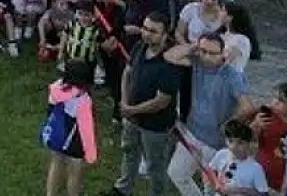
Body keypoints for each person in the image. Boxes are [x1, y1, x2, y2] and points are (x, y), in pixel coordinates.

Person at [166, 33, 256, 192]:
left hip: (215, 143)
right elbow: (169, 56)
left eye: (212, 53)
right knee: (176, 173)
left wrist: (230, 123)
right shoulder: (195, 64)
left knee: (212, 187)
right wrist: (193, 47)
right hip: (191, 133)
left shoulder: (232, 75)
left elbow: (248, 106)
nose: (206, 56)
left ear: (222, 53)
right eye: (203, 51)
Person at [111, 11, 176, 196]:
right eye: (145, 28)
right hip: (132, 117)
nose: (147, 34)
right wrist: (124, 101)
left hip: (155, 125)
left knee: (155, 166)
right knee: (129, 153)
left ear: (165, 35)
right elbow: (128, 72)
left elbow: (162, 101)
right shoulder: (140, 46)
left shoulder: (170, 62)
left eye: (153, 31)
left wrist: (130, 109)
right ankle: (123, 189)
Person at [43, 60, 99, 196]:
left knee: (56, 163)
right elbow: (86, 129)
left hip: (57, 132)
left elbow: (51, 109)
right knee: (75, 172)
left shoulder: (56, 87)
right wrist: (90, 153)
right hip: (75, 136)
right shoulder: (84, 99)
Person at [204, 119, 269, 195]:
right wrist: (216, 183)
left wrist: (240, 190)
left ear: (249, 144)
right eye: (230, 141)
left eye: (240, 143)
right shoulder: (222, 154)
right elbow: (209, 170)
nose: (234, 147)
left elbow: (263, 194)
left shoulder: (256, 168)